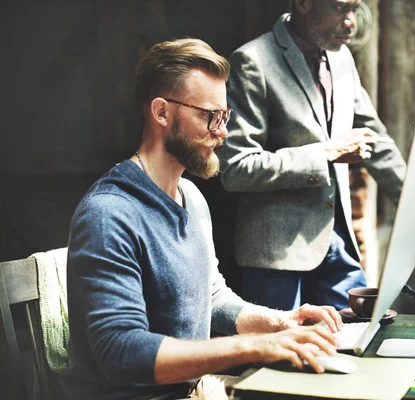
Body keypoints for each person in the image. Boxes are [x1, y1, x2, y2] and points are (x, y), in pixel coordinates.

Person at [61, 38, 345, 400]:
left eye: (224, 116)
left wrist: (278, 323)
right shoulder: (108, 214)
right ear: (161, 113)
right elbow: (122, 352)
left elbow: (210, 298)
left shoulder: (191, 198)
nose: (222, 131)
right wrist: (256, 347)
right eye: (209, 116)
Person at [216, 0, 415, 311]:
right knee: (282, 355)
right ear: (304, 4)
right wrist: (325, 154)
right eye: (340, 9)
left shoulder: (342, 59)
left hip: (339, 244)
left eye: (355, 9)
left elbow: (378, 143)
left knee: (362, 338)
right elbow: (236, 168)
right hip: (277, 258)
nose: (351, 23)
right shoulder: (253, 60)